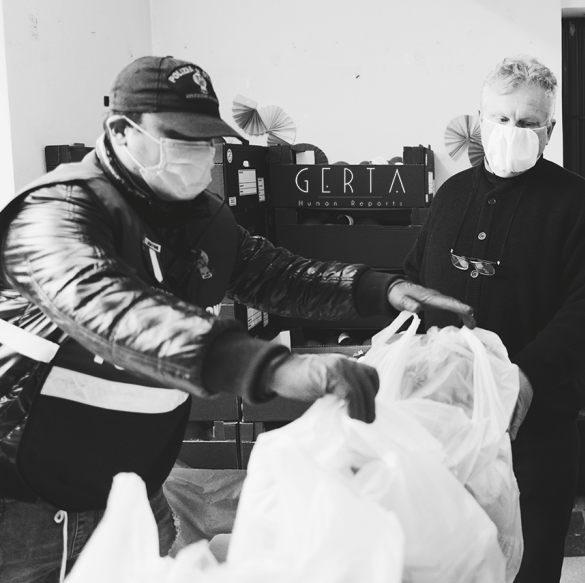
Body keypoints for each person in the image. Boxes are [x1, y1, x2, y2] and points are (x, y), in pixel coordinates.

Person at [0, 55, 474, 583]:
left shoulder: (201, 219)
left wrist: (383, 290)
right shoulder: (56, 211)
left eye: (206, 139)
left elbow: (276, 274)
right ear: (120, 131)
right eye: (180, 138)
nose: (198, 152)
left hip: (131, 495)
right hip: (25, 508)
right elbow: (110, 307)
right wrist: (268, 366)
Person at [404, 55, 585, 582]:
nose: (511, 131)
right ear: (481, 121)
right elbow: (414, 279)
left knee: (529, 566)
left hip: (536, 430)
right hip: (448, 427)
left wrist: (525, 376)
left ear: (549, 131)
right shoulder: (451, 195)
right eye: (501, 119)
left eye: (527, 122)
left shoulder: (576, 202)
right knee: (450, 566)